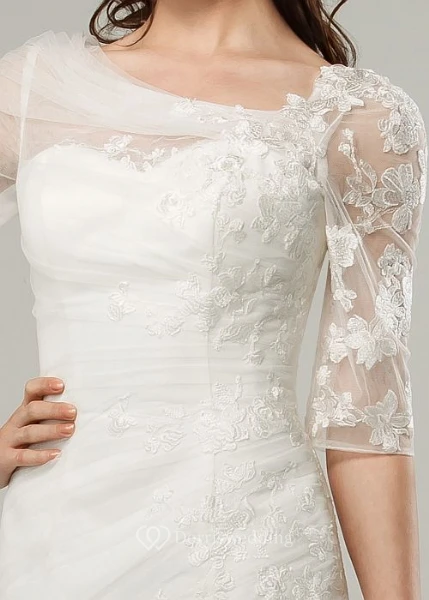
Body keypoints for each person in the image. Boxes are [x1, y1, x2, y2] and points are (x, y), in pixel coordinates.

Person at [0, 0, 426, 598]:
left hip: (251, 542)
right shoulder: (30, 88)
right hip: (51, 544)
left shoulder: (359, 118)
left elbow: (368, 413)